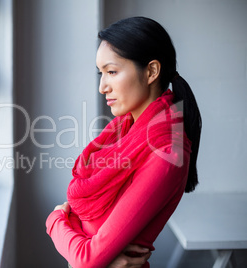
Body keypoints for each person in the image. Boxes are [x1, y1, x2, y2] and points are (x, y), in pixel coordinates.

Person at [46, 16, 202, 268]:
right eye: (101, 73)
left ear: (151, 71)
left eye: (112, 72)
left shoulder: (167, 153)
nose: (102, 86)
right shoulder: (123, 132)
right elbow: (88, 251)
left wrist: (54, 221)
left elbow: (86, 260)